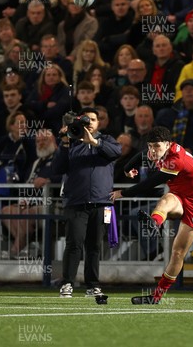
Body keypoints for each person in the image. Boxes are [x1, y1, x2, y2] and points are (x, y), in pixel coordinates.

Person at [110, 126, 193, 304]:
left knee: (178, 253)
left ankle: (156, 297)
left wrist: (122, 193)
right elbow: (141, 156)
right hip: (179, 197)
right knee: (166, 199)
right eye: (150, 146)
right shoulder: (160, 150)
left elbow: (150, 183)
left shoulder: (176, 160)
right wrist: (128, 168)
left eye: (156, 146)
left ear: (167, 144)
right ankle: (154, 223)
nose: (152, 150)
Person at [54, 107, 121, 298]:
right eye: (86, 119)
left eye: (93, 119)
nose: (89, 123)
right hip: (76, 202)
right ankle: (67, 283)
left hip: (101, 203)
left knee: (94, 246)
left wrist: (95, 142)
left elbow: (116, 152)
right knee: (74, 243)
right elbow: (57, 168)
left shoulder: (107, 140)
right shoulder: (72, 142)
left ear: (98, 123)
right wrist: (64, 143)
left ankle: (93, 285)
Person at [0, 129, 62, 257]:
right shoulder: (35, 163)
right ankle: (27, 246)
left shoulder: (61, 157)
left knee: (27, 214)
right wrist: (23, 200)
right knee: (6, 211)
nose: (41, 143)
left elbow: (70, 177)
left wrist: (49, 180)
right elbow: (27, 185)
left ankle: (15, 251)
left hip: (53, 204)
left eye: (44, 140)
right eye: (38, 141)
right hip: (31, 203)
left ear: (54, 141)